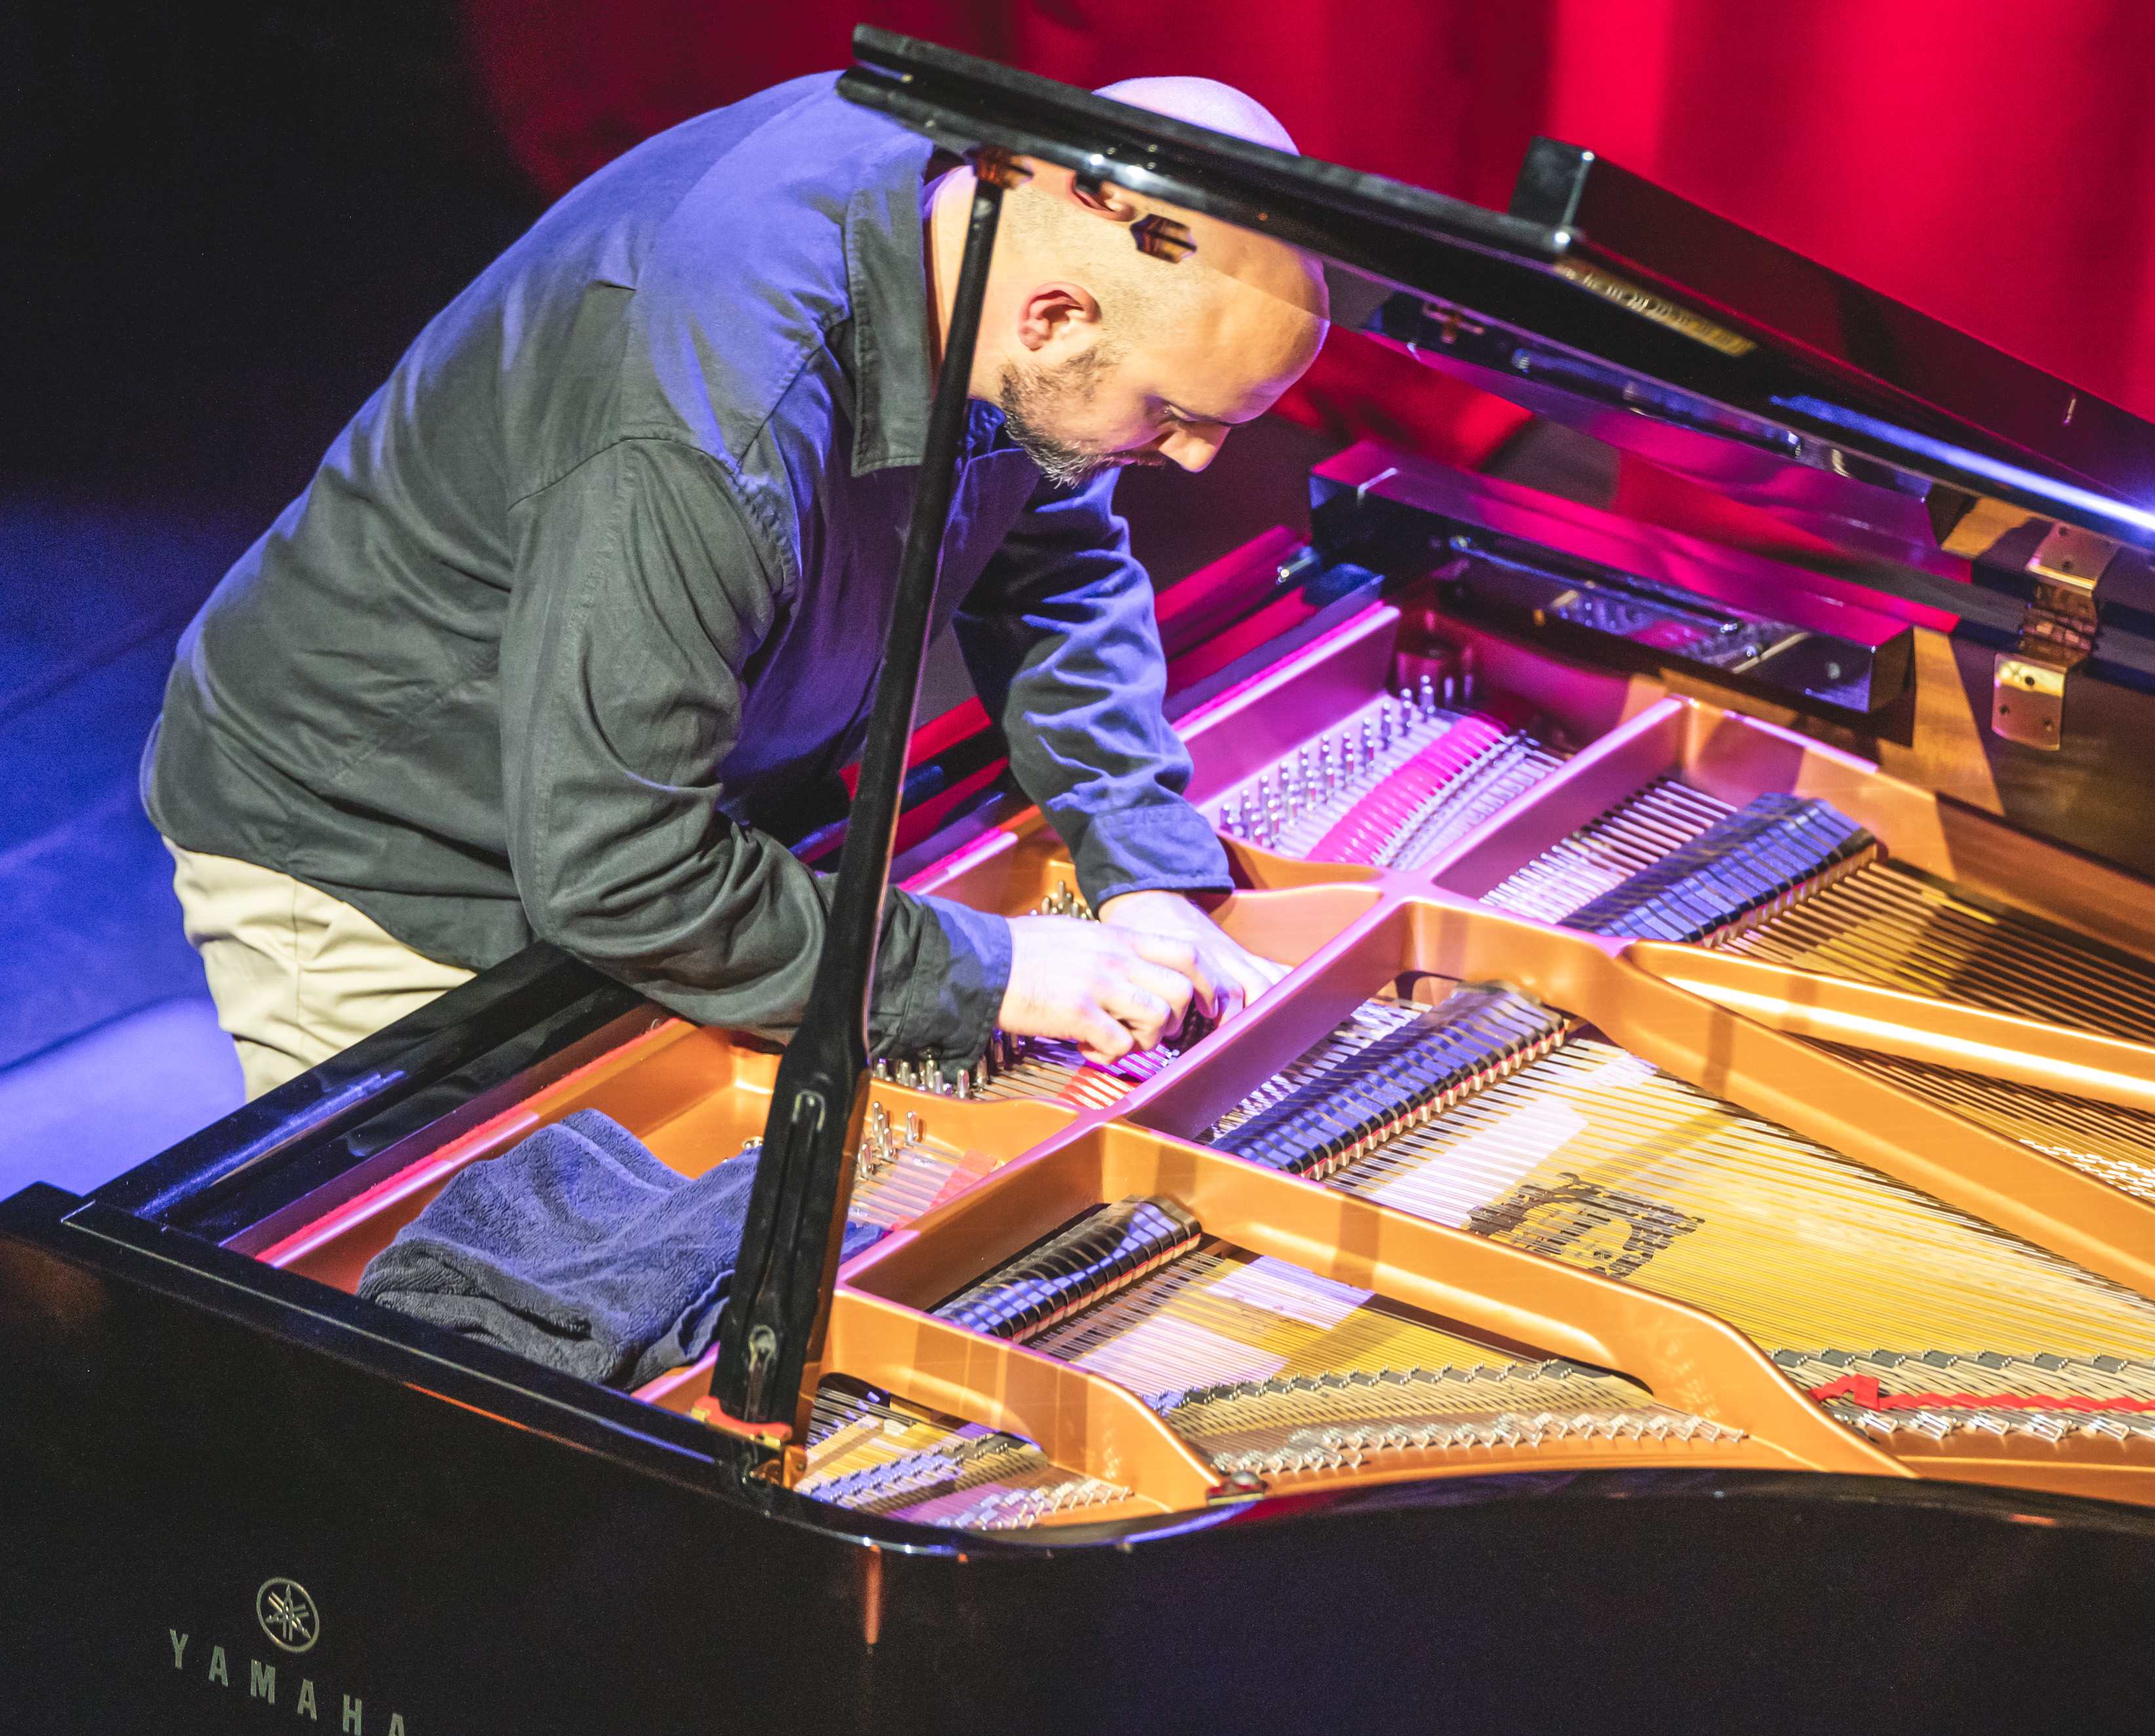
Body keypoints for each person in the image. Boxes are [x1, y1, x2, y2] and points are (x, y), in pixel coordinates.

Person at [144, 71, 1327, 1100]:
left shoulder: (988, 237)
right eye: (1175, 414)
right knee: (457, 1315)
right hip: (379, 843)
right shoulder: (715, 423)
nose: (1199, 457)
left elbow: (1053, 563)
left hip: (633, 822)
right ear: (1055, 318)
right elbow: (618, 868)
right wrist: (994, 970)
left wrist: (1147, 864)